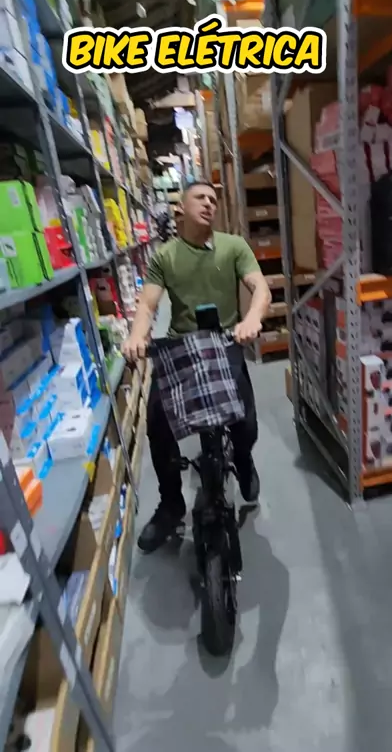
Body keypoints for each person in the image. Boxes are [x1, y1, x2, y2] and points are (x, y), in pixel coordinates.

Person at [122, 180, 272, 553]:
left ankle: (243, 458)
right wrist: (137, 335)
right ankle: (171, 502)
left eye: (213, 199)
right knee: (158, 422)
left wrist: (252, 318)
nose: (209, 203)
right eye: (200, 198)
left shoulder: (233, 246)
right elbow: (148, 305)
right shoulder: (165, 255)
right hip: (181, 347)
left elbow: (261, 289)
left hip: (225, 341)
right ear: (181, 209)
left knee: (245, 421)